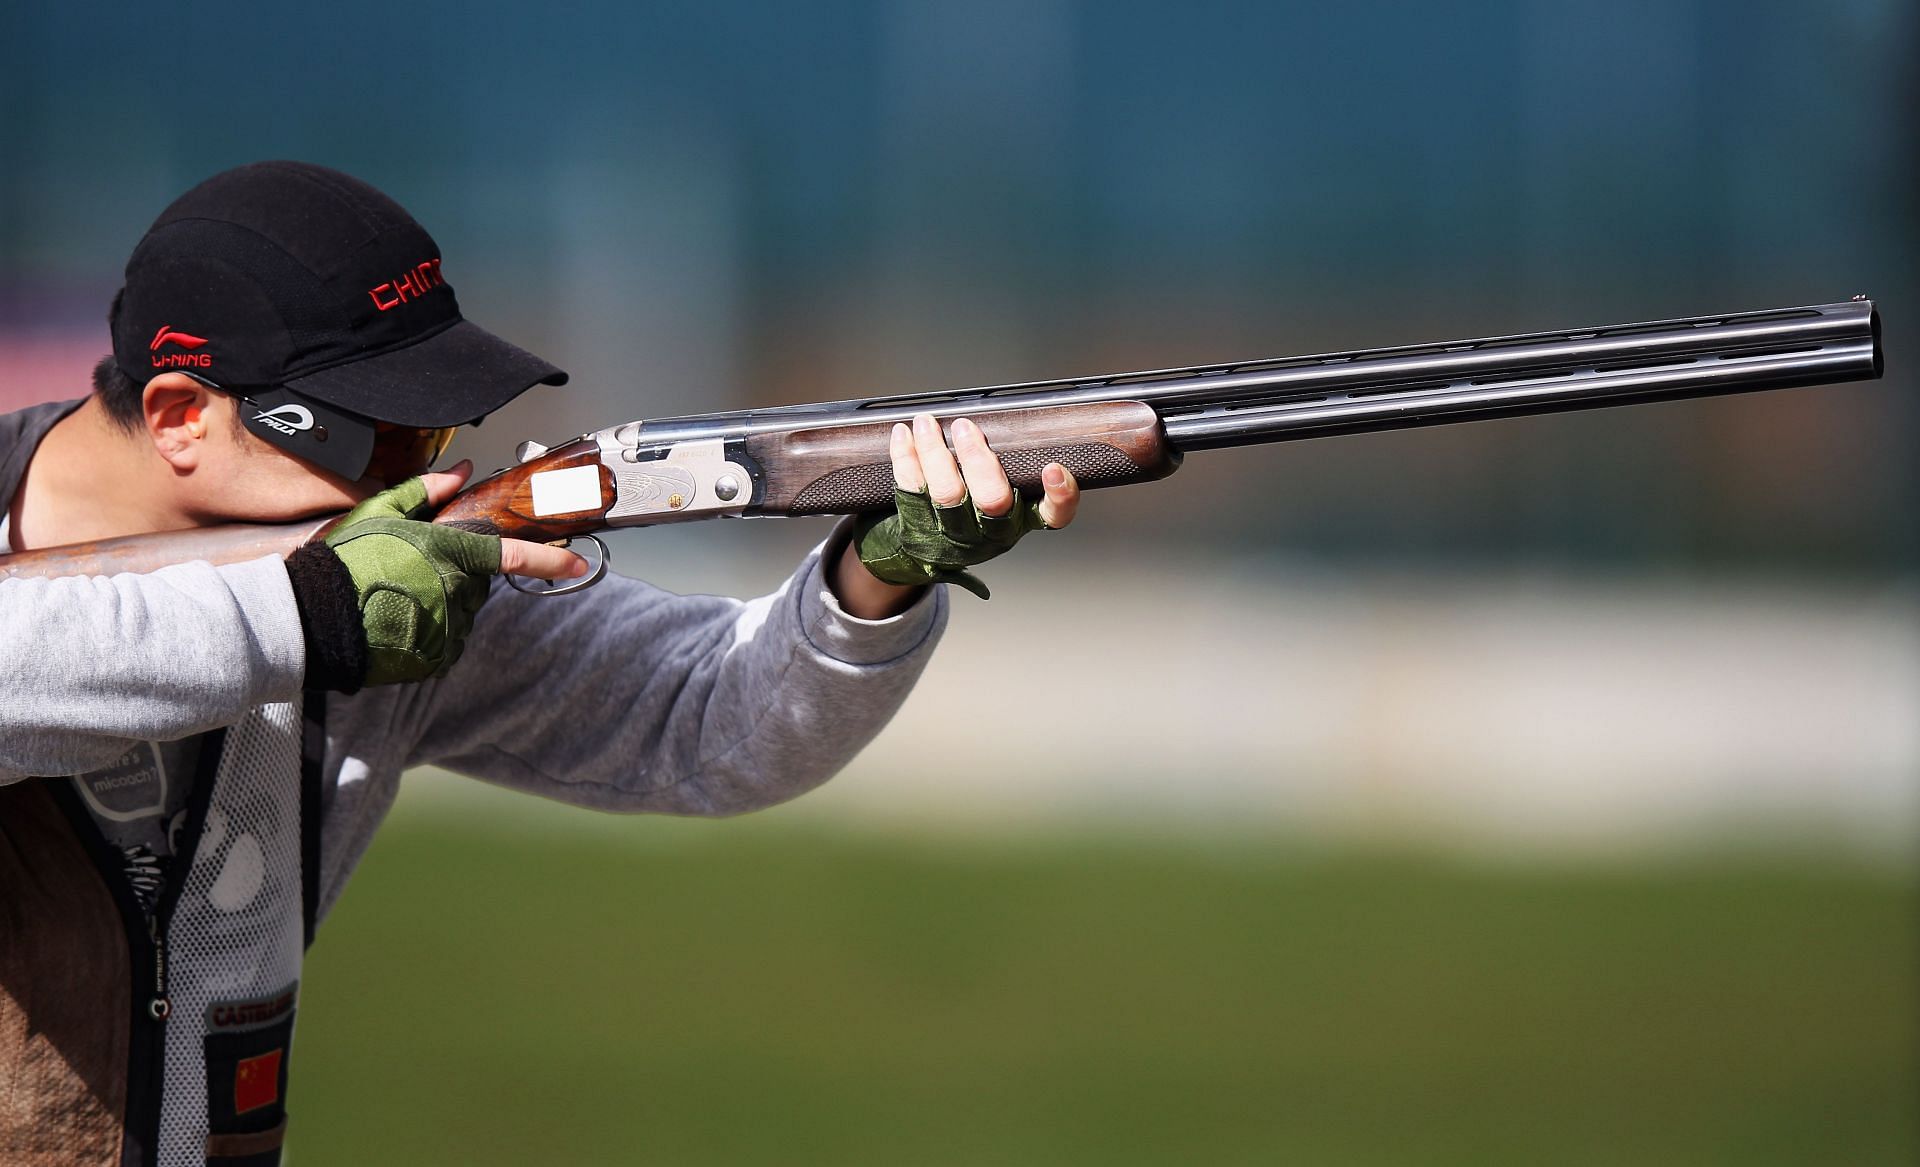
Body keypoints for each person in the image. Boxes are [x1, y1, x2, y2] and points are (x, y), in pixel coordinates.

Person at [0, 161, 1079, 1167]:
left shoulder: (386, 589)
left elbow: (710, 726)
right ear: (183, 416)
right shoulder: (340, 595)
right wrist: (305, 615)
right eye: (371, 436)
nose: (419, 477)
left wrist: (874, 581)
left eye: (427, 432)